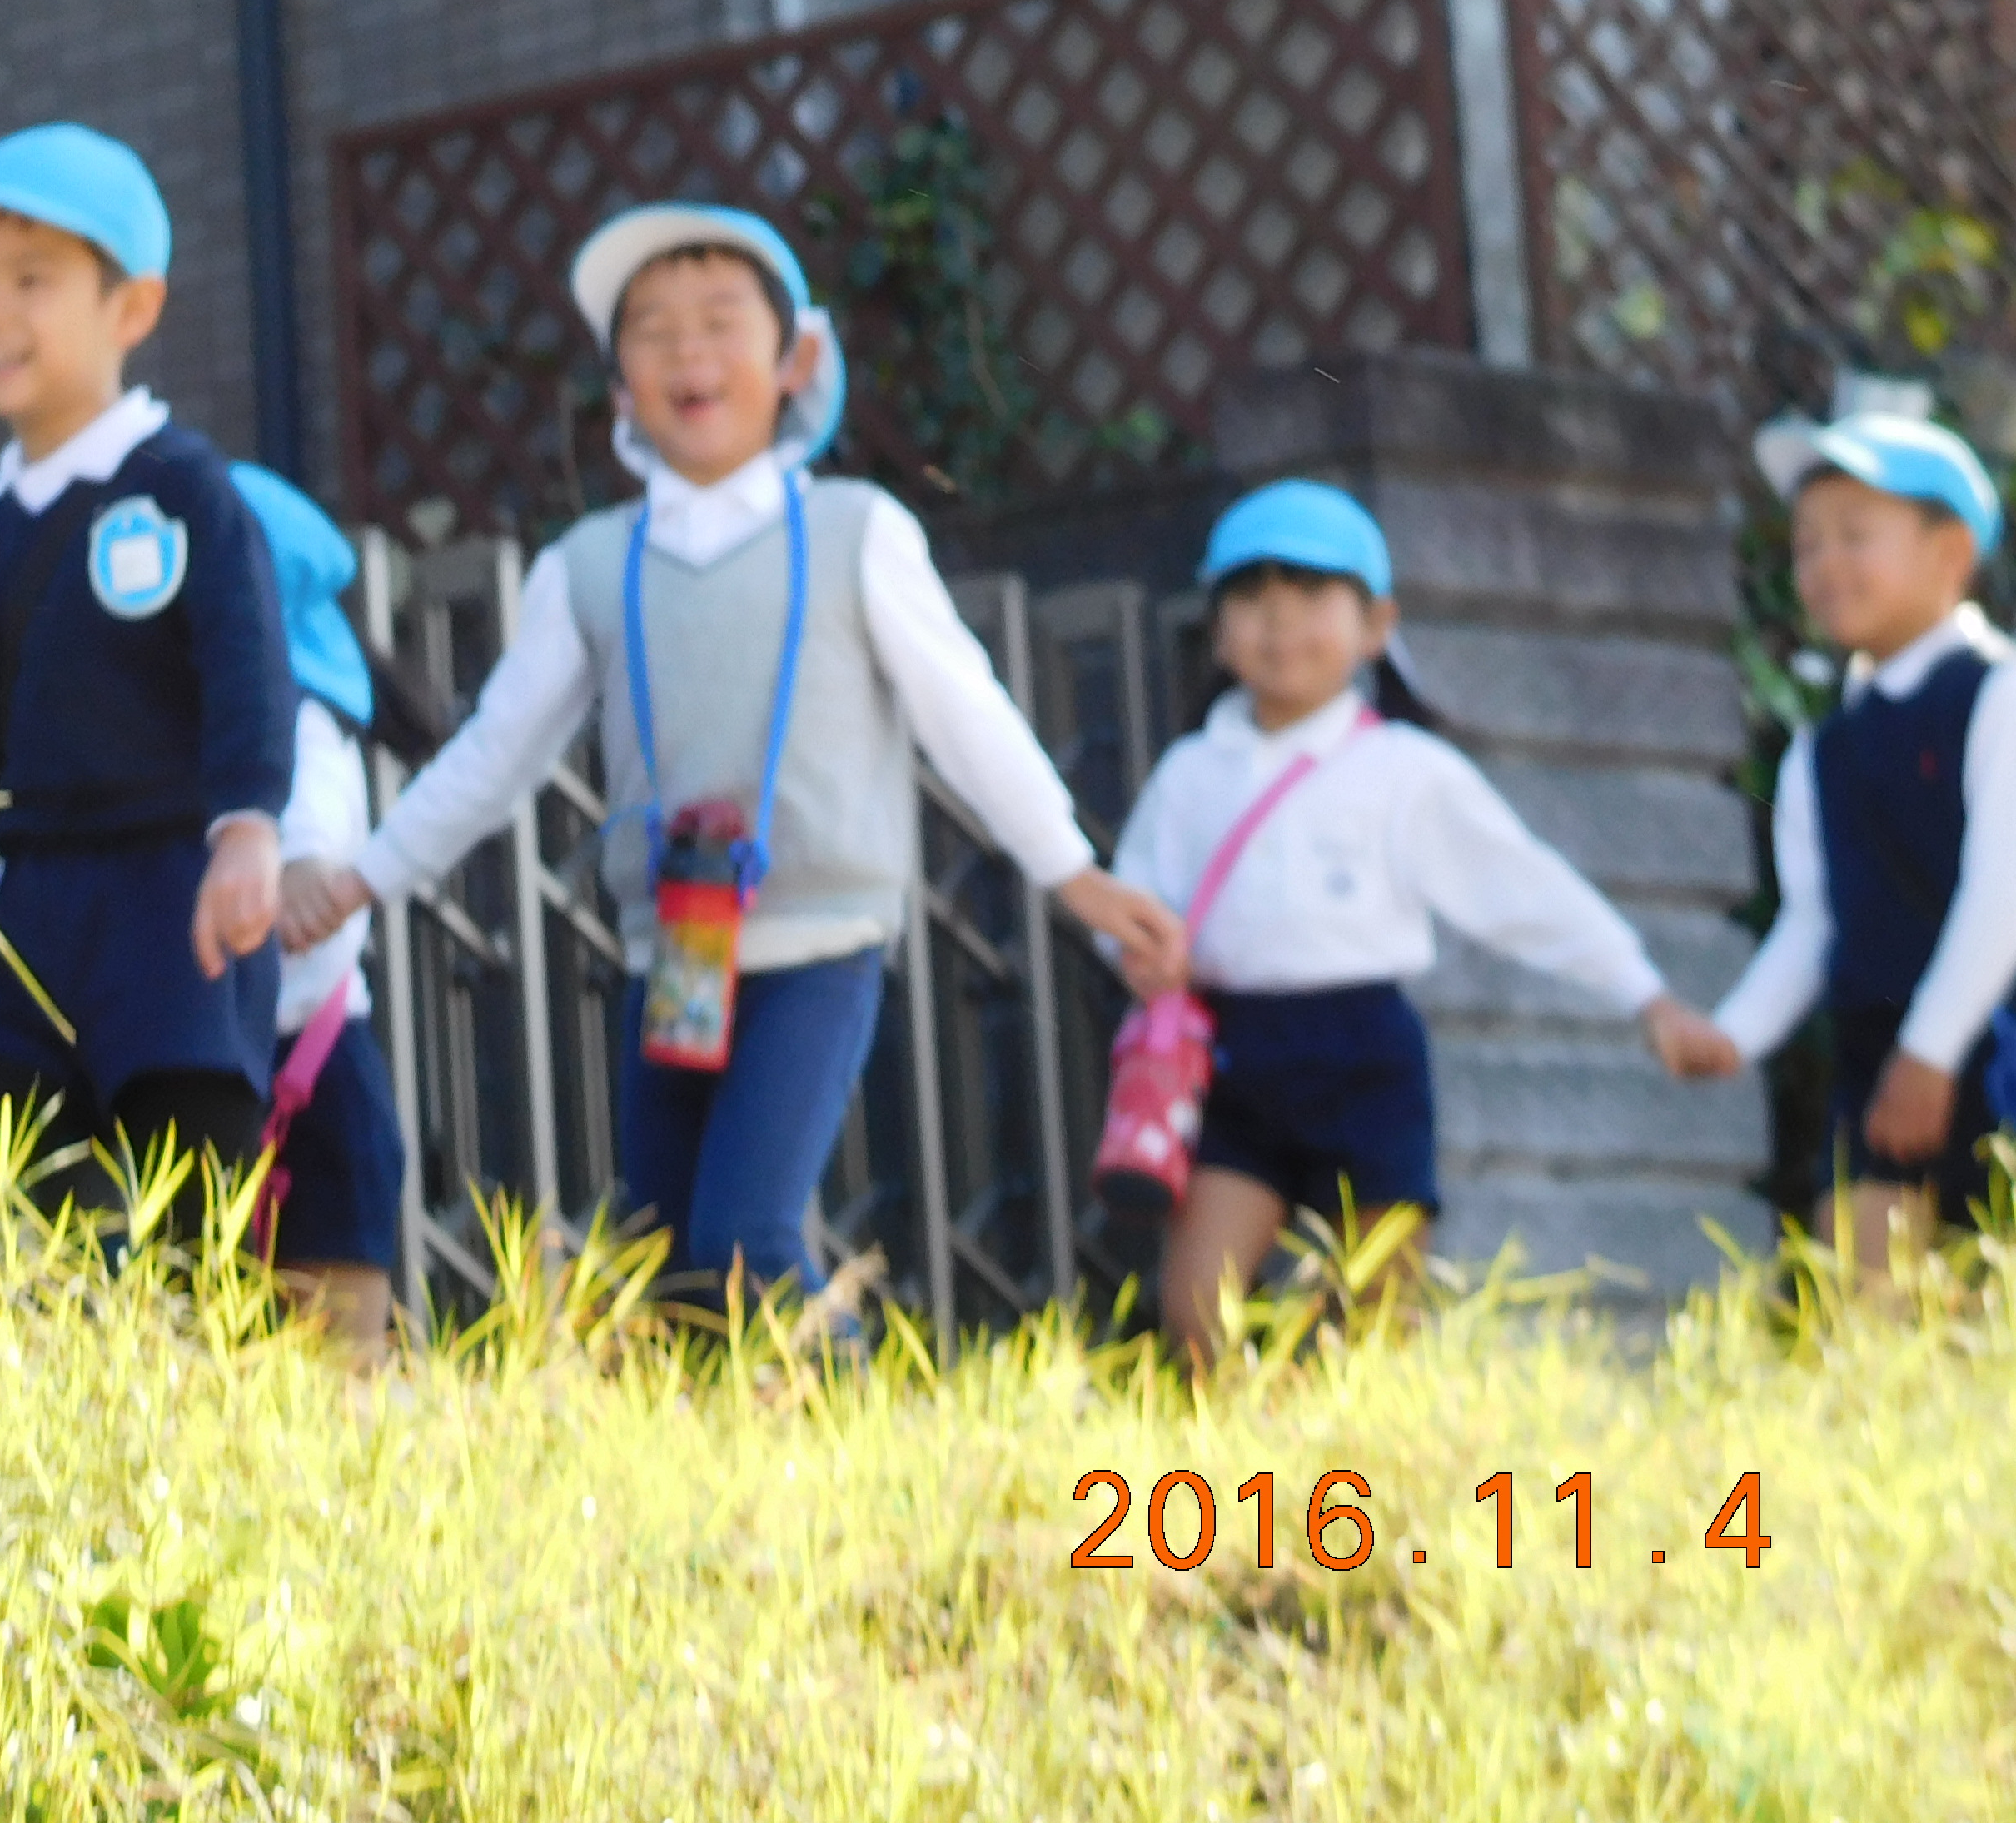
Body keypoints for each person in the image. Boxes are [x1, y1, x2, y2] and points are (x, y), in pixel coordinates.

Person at [281, 202, 1182, 1318]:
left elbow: (969, 713)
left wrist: (1075, 875)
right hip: (677, 947)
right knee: (669, 1257)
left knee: (745, 1231)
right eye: (651, 332)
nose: (688, 353)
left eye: (718, 322)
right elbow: (493, 755)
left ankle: (868, 1433)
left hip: (821, 938)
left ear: (795, 360)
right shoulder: (592, 565)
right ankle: (748, 1479)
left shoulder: (858, 530)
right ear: (618, 389)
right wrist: (363, 875)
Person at [1115, 480, 1737, 1360]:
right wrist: (1136, 951)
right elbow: (1130, 900)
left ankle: (1357, 1476)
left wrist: (1649, 997)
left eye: (1310, 595)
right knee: (1196, 1315)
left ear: (1377, 625)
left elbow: (1526, 890)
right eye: (1251, 597)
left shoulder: (1405, 769)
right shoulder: (1190, 773)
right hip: (1231, 1058)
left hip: (1366, 1057)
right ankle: (1244, 1475)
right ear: (1217, 629)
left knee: (1375, 1319)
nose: (1279, 621)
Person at [0, 124, 291, 1236]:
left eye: (32, 281)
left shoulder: (182, 489)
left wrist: (248, 828)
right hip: (34, 914)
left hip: (176, 898)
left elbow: (248, 669)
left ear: (132, 310)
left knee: (191, 1197)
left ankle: (220, 1396)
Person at [1711, 413, 2016, 1279]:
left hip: (1992, 1052)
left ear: (1950, 554)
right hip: (1879, 1062)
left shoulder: (1997, 696)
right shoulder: (1823, 748)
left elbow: (2005, 888)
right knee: (1865, 1311)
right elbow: (1814, 921)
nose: (1824, 564)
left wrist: (1933, 1051)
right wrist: (1735, 1034)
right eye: (1807, 545)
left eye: (1855, 535)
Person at [231, 461, 406, 1360]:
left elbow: (313, 837)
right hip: (226, 1065)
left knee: (340, 1373)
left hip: (313, 1070)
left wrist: (299, 875)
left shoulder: (300, 722)